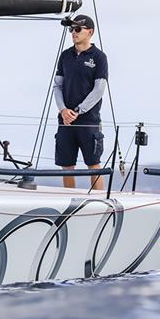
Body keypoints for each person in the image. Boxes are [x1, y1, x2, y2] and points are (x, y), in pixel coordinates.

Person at [53, 14, 108, 190]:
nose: (73, 33)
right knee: (67, 165)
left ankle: (100, 203)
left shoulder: (99, 57)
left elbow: (99, 89)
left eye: (77, 29)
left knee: (93, 164)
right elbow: (57, 86)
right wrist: (63, 110)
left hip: (88, 120)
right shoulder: (65, 56)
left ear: (90, 32)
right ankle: (69, 202)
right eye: (71, 29)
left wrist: (78, 110)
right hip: (66, 120)